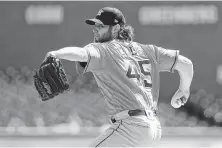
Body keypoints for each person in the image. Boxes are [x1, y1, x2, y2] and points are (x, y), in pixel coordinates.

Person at [45, 7, 194, 147]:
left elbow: (81, 53)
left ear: (116, 28)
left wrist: (56, 54)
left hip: (131, 127)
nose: (95, 30)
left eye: (100, 26)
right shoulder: (149, 51)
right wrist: (183, 90)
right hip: (153, 129)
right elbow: (186, 64)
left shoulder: (104, 49)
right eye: (94, 26)